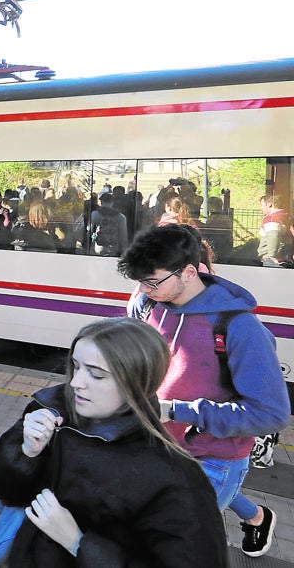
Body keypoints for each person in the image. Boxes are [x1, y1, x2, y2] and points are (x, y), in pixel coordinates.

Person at [0, 318, 228, 566]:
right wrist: (26, 453)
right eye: (76, 366)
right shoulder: (49, 409)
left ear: (137, 383)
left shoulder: (174, 477)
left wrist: (78, 543)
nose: (76, 383)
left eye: (96, 375)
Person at [118, 224, 289, 557]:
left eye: (151, 281)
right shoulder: (155, 307)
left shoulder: (240, 329)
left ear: (189, 273)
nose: (142, 290)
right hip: (160, 449)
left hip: (213, 464)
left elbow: (271, 413)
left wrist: (176, 410)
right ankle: (255, 517)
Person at [258, 194, 293, 267]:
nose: (261, 208)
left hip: (273, 260)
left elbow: (273, 236)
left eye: (262, 205)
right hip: (286, 256)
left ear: (270, 205)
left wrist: (271, 256)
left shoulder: (271, 219)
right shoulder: (287, 217)